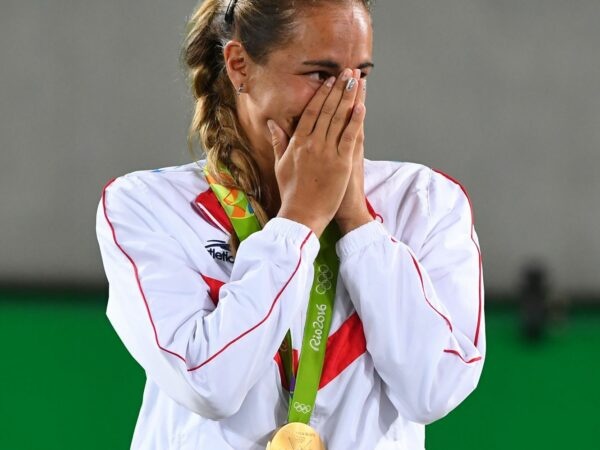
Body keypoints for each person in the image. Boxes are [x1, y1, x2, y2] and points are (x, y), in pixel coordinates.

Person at [96, 0, 485, 448]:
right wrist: (299, 220)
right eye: (319, 74)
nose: (345, 98)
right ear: (240, 66)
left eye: (360, 74)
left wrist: (358, 221)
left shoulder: (423, 201)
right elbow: (208, 384)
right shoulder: (146, 207)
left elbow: (434, 390)